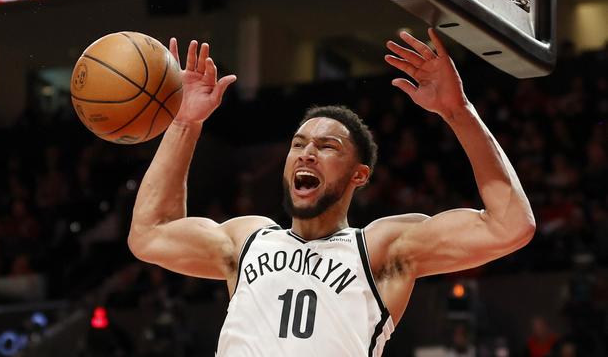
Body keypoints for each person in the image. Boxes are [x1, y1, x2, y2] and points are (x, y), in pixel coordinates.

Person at [128, 29, 536, 356]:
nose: (307, 154)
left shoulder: (380, 250)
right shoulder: (248, 239)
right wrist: (184, 124)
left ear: (360, 175)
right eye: (298, 144)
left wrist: (457, 111)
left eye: (326, 147)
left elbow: (511, 225)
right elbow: (150, 233)